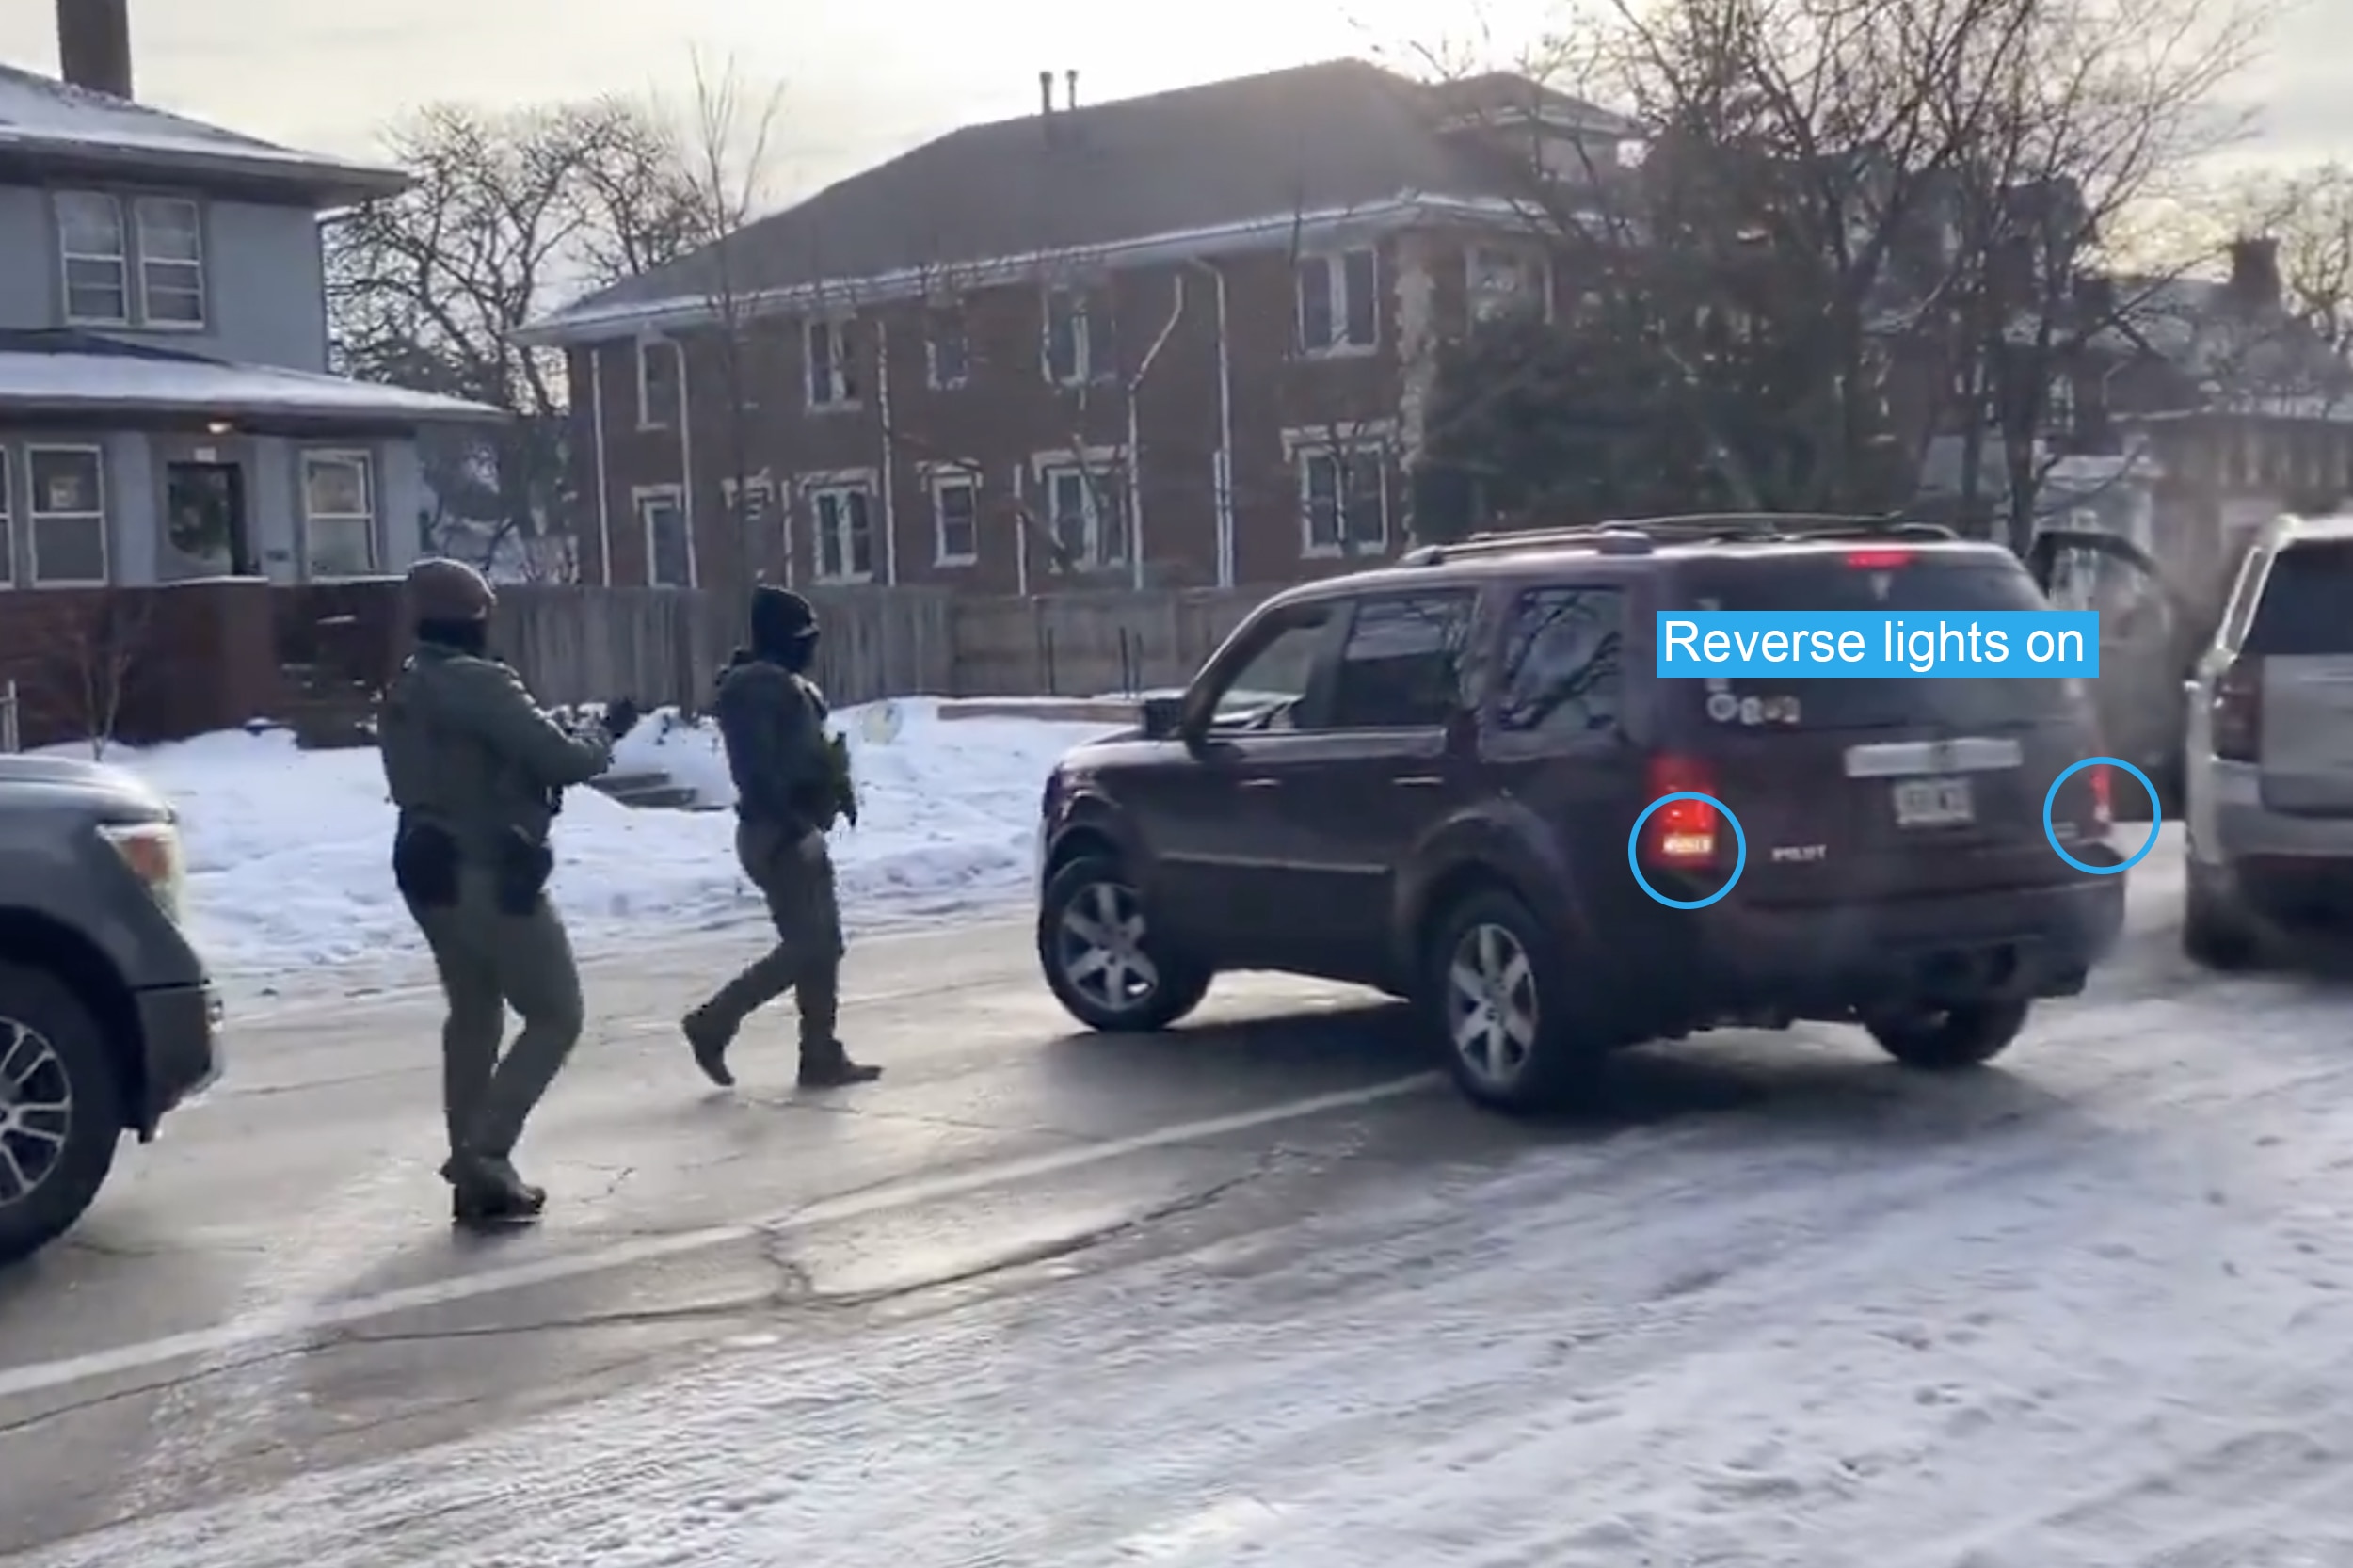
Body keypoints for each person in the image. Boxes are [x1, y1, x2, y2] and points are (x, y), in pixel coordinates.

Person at [377, 557, 632, 1226]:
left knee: (474, 1014)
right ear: (476, 619)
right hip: (488, 867)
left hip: (426, 863)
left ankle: (478, 1182)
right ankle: (483, 1154)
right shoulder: (478, 681)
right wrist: (605, 731)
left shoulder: (410, 683)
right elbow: (563, 759)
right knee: (556, 1014)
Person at [681, 586, 881, 1091]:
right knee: (810, 945)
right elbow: (757, 773)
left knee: (823, 944)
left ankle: (820, 1053)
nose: (812, 646)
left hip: (788, 829)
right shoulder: (757, 690)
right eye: (805, 635)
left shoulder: (776, 686)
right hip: (778, 834)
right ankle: (714, 1022)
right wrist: (796, 827)